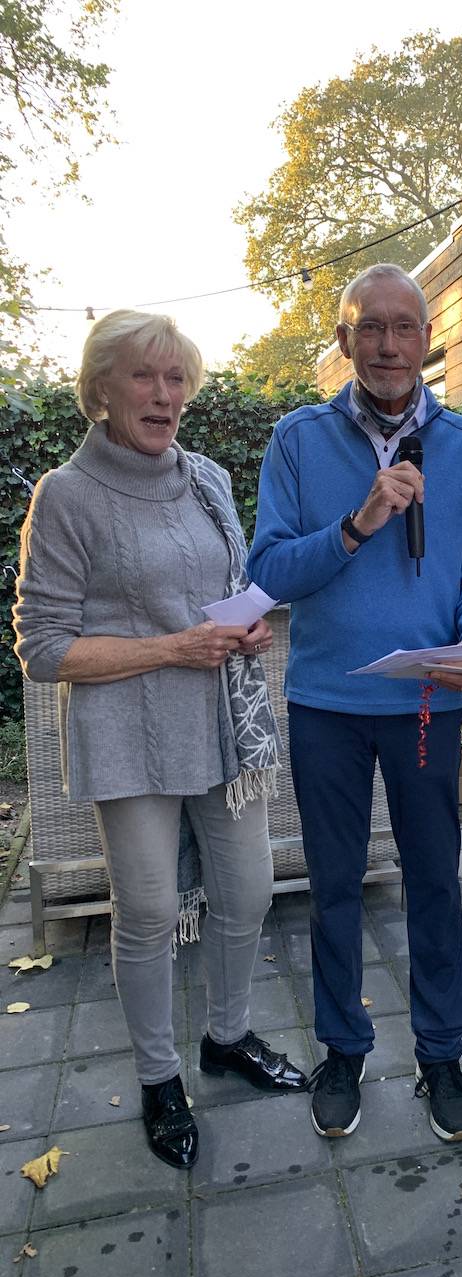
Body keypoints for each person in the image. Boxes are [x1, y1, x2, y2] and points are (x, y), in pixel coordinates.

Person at [13, 310, 307, 1171]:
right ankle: (158, 1078)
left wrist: (243, 627)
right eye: (144, 375)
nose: (164, 393)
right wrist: (173, 648)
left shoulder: (206, 477)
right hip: (128, 735)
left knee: (247, 890)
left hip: (221, 725)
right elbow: (43, 649)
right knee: (145, 912)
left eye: (176, 377)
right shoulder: (65, 495)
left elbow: (227, 587)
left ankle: (227, 1036)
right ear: (100, 389)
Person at [247, 263, 462, 1144]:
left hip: (427, 702)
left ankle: (441, 1054)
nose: (390, 346)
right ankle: (343, 1049)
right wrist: (357, 525)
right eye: (371, 328)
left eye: (404, 328)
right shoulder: (297, 440)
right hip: (326, 704)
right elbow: (269, 571)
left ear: (428, 339)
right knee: (334, 887)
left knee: (434, 880)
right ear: (344, 339)